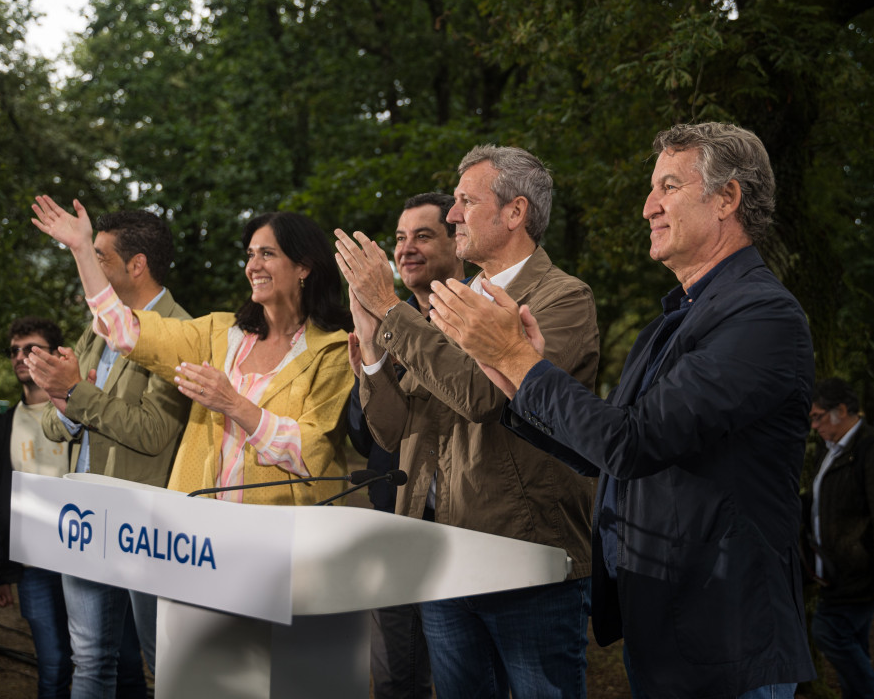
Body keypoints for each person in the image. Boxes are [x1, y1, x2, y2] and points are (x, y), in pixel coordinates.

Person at [426, 122, 817, 699]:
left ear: (727, 198)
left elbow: (635, 444)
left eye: (668, 187)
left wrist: (519, 360)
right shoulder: (673, 321)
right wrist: (515, 379)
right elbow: (606, 448)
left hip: (725, 634)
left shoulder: (762, 316)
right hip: (666, 626)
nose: (648, 207)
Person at [335, 146, 599, 699]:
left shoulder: (563, 298)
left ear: (515, 212)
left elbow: (481, 396)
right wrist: (371, 343)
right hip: (440, 557)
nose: (452, 215)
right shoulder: (444, 305)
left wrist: (390, 308)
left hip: (524, 558)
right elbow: (392, 428)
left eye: (464, 201)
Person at [32, 196, 355, 506]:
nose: (253, 266)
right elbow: (123, 330)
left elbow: (309, 451)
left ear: (304, 267)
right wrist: (81, 251)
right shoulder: (217, 332)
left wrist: (232, 403)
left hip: (281, 537)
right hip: (199, 532)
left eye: (267, 254)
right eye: (250, 254)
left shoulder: (334, 351)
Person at [28, 209, 192, 699]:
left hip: (147, 523)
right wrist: (67, 401)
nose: (90, 266)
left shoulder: (182, 330)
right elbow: (56, 424)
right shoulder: (98, 327)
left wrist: (76, 394)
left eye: (98, 256)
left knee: (166, 663)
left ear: (136, 265)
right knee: (90, 659)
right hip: (85, 517)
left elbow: (152, 432)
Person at [345, 193, 463, 699]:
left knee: (463, 677)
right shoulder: (383, 325)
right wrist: (370, 358)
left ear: (459, 241)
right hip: (393, 524)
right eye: (398, 238)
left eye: (423, 235)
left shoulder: (472, 320)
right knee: (395, 679)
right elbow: (360, 433)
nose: (406, 248)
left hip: (462, 532)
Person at [0, 317, 74, 698]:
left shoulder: (80, 413)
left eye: (31, 349)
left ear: (55, 354)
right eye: (14, 351)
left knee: (97, 659)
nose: (21, 357)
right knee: (52, 664)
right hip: (33, 563)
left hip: (83, 556)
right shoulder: (4, 423)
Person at [807, 378, 874, 699]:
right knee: (855, 650)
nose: (814, 425)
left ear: (841, 410)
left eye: (818, 416)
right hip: (836, 573)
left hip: (860, 575)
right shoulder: (834, 452)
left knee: (827, 632)